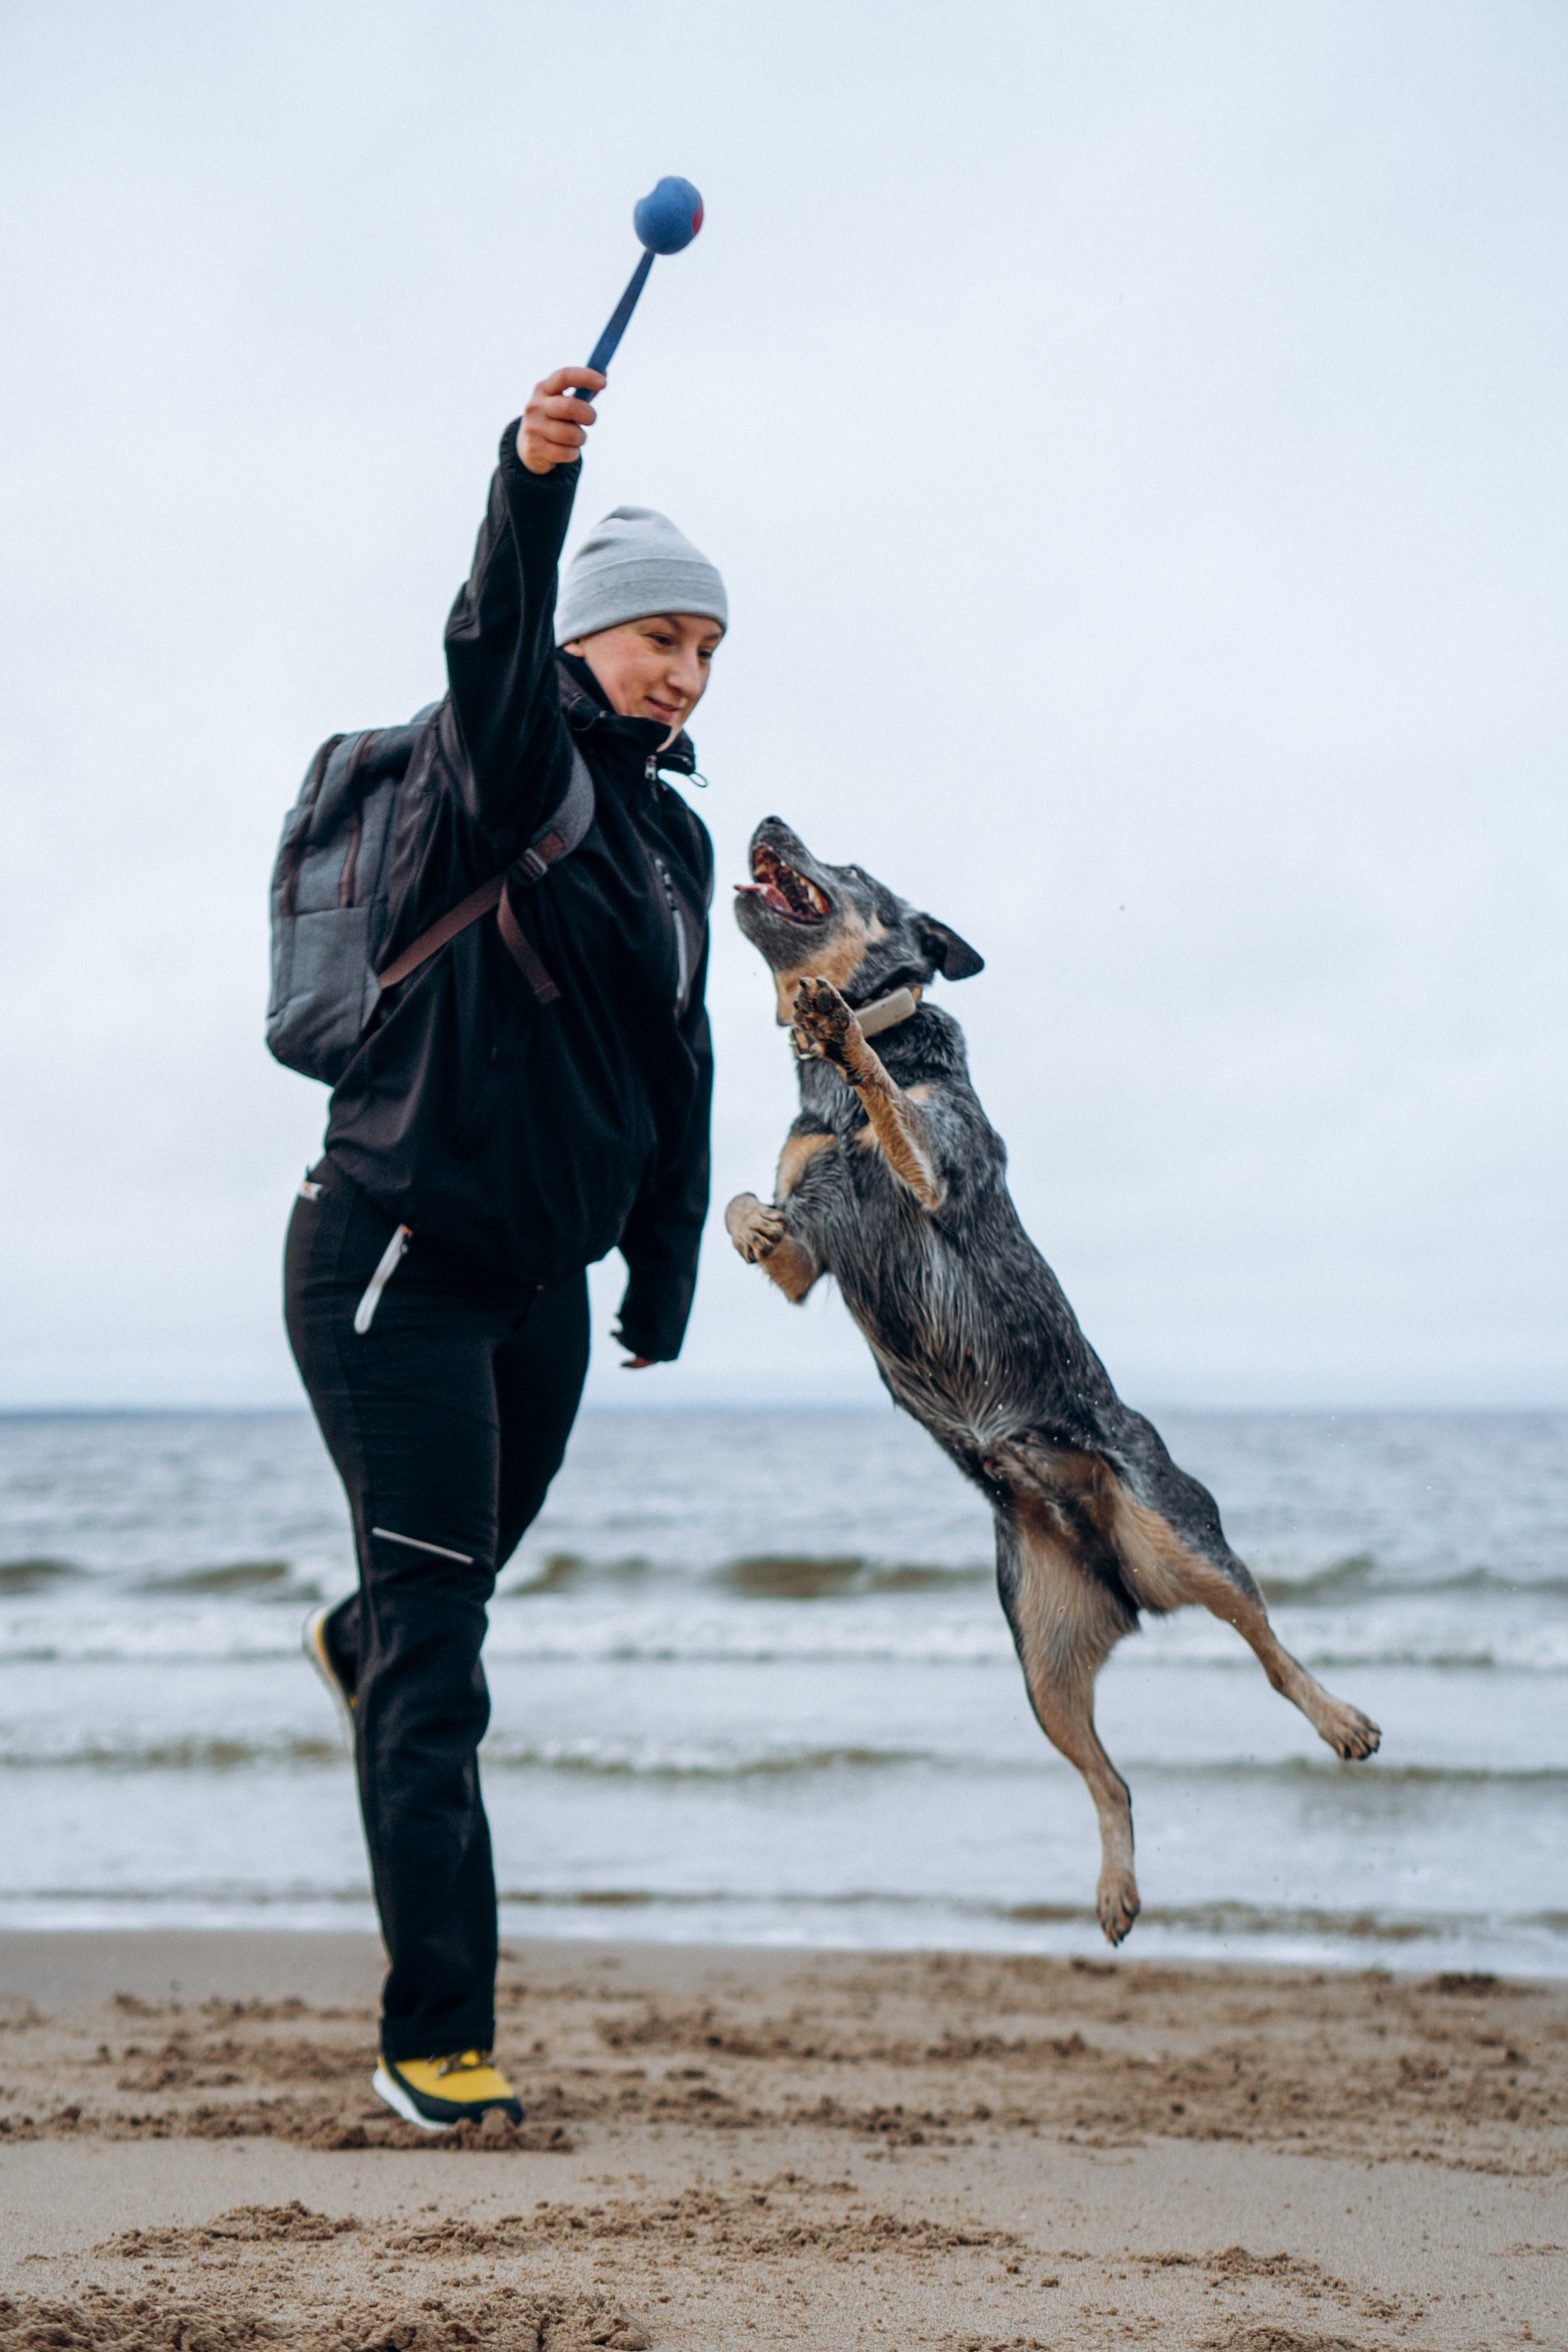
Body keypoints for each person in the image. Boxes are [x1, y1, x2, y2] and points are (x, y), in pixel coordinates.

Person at [285, 367, 725, 2130]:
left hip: (538, 1288)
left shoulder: (673, 837)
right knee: (443, 1651)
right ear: (588, 640)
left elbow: (674, 1063)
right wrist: (530, 480)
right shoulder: (503, 757)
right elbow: (492, 626)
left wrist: (662, 1264)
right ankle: (434, 2039)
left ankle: (357, 1631)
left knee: (428, 1609)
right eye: (656, 638)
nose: (684, 671)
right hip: (395, 1260)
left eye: (706, 644)